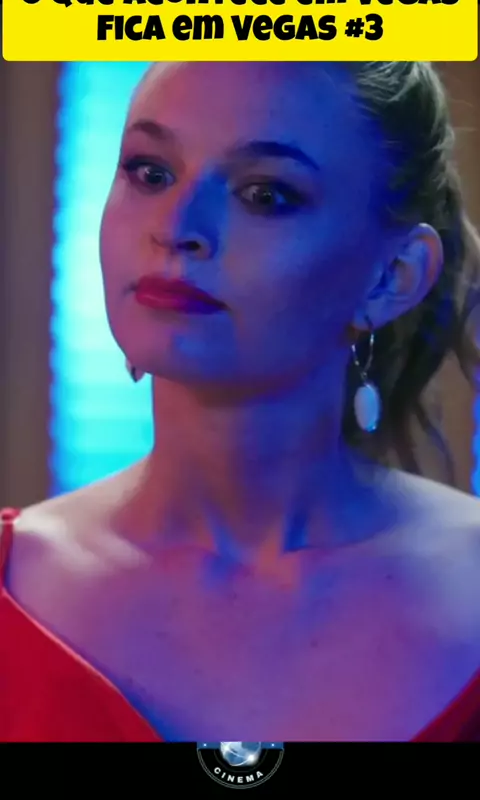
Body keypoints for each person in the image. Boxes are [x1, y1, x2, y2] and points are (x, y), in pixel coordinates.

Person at [1, 60, 480, 743]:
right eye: (150, 172)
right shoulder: (15, 580)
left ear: (392, 277)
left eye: (265, 194)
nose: (178, 227)